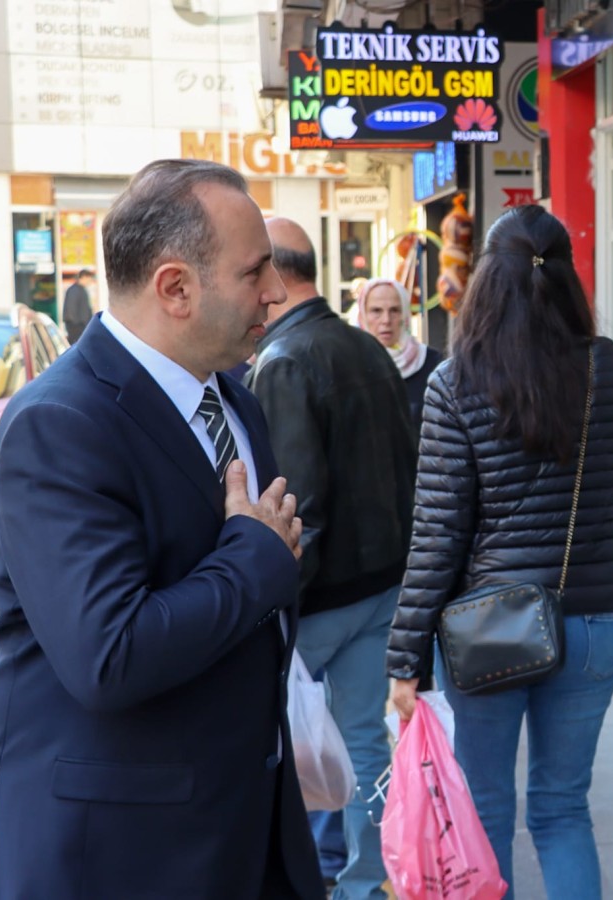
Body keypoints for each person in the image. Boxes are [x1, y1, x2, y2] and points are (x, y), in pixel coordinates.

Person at [0, 159, 322, 899]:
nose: (276, 293)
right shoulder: (57, 424)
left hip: (241, 832)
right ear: (175, 288)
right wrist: (255, 559)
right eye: (255, 272)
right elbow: (110, 653)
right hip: (117, 856)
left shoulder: (235, 400)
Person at [387, 204, 613, 900]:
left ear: (485, 283)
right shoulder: (606, 368)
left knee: (485, 807)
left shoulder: (454, 381)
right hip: (591, 621)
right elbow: (606, 484)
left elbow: (437, 533)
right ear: (565, 277)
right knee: (562, 808)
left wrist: (405, 659)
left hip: (489, 629)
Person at [246, 217, 418, 900]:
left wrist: (273, 603)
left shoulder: (286, 360)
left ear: (276, 275)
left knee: (276, 748)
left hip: (320, 599)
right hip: (380, 584)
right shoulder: (364, 346)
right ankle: (364, 881)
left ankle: (310, 877)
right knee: (363, 746)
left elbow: (298, 505)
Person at [353, 276, 443, 436]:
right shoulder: (349, 366)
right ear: (363, 316)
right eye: (376, 311)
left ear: (405, 314)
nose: (386, 320)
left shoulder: (431, 364)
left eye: (395, 310)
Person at [62, 267, 95, 344]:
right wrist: (77, 326)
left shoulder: (81, 290)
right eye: (89, 279)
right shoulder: (74, 290)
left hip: (82, 327)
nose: (90, 281)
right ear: (83, 277)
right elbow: (70, 310)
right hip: (77, 328)